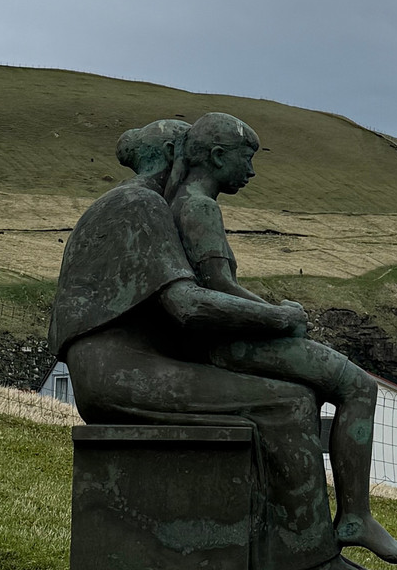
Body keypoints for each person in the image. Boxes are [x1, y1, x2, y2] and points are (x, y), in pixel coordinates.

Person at [50, 119, 359, 570]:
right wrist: (280, 317)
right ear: (177, 152)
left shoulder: (126, 204)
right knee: (285, 404)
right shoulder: (140, 205)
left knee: (290, 397)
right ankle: (312, 562)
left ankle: (280, 548)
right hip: (118, 374)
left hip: (127, 365)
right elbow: (186, 306)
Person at [164, 112, 397, 566]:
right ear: (218, 156)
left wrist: (269, 309)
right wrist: (278, 316)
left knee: (319, 388)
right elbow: (216, 287)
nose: (252, 172)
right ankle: (355, 515)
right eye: (247, 159)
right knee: (360, 386)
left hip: (226, 337)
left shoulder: (184, 201)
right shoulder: (200, 206)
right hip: (231, 343)